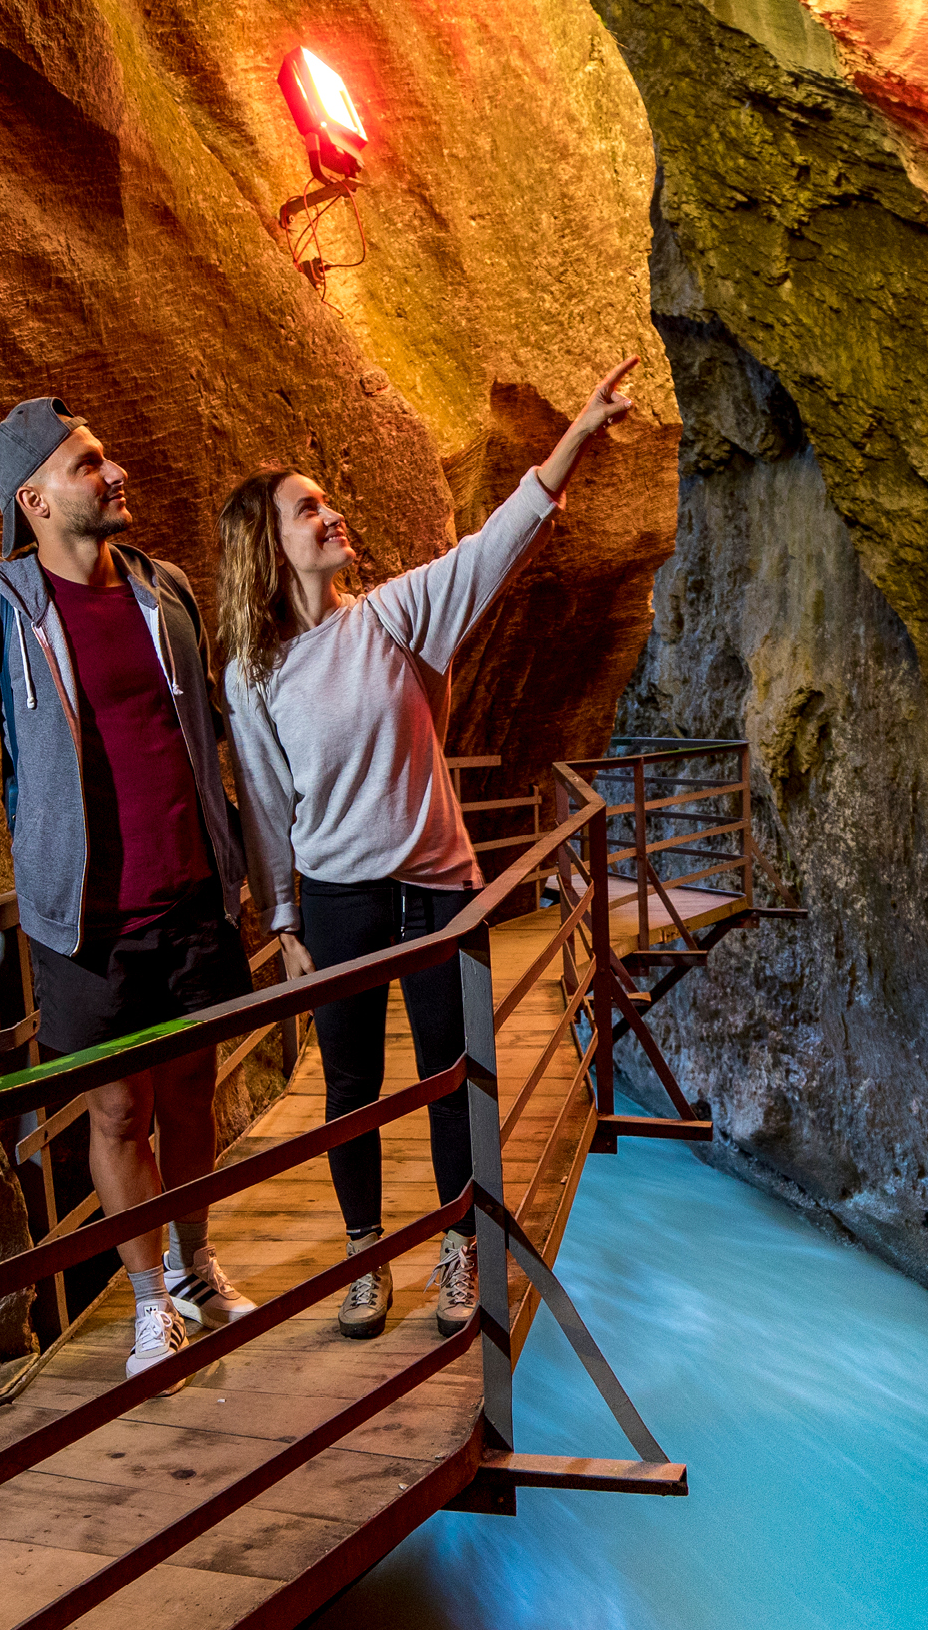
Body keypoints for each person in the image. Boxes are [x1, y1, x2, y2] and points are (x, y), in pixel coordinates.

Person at [221, 358, 641, 1340]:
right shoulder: (254, 672)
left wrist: (575, 436)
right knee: (352, 1087)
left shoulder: (394, 616)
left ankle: (460, 1258)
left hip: (439, 886)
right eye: (306, 509)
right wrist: (283, 917)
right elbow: (267, 801)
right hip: (339, 897)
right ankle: (367, 1257)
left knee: (454, 1078)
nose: (328, 516)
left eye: (324, 502)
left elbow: (501, 542)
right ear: (268, 547)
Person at [0, 398, 263, 1380]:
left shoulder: (163, 593)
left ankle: (197, 1261)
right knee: (120, 1114)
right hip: (86, 919)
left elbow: (209, 736)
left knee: (193, 1094)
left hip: (193, 899)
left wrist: (249, 862)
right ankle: (150, 1298)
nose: (114, 471)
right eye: (90, 462)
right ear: (33, 498)